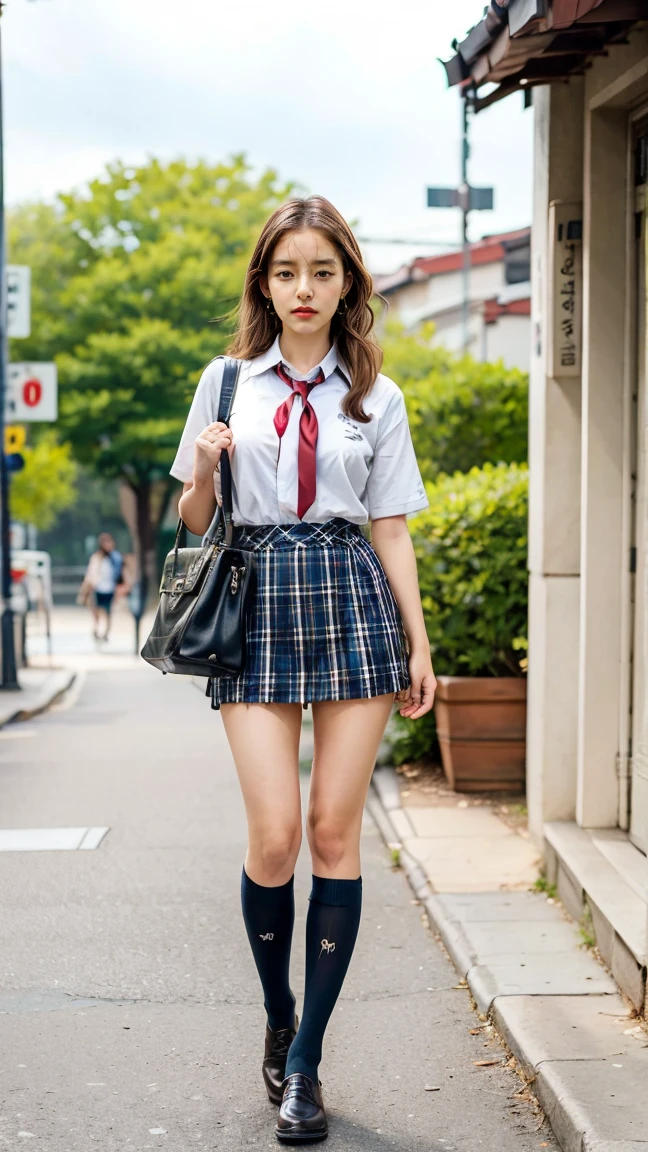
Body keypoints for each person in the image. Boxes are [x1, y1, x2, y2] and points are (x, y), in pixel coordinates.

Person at [170, 196, 436, 1144]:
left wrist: (419, 639)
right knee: (276, 835)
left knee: (333, 831)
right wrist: (204, 470)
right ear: (265, 284)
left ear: (347, 283)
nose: (305, 289)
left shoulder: (377, 395)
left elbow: (391, 523)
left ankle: (307, 1061)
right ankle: (278, 1013)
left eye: (323, 271)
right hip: (255, 596)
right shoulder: (226, 381)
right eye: (288, 272)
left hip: (351, 597)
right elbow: (198, 522)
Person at [78, 532, 124, 643]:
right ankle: (96, 629)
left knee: (108, 612)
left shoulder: (116, 558)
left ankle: (106, 633)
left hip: (110, 588)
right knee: (96, 611)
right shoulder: (97, 557)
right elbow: (91, 573)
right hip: (97, 588)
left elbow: (120, 574)